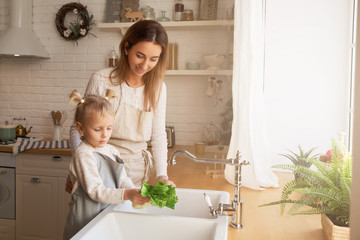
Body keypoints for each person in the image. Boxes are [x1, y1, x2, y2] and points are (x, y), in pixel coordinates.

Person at [69, 20, 174, 187]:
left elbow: (159, 136)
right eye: (140, 55)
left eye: (153, 59)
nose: (145, 65)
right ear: (126, 48)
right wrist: (80, 165)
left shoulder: (158, 88)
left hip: (138, 172)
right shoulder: (102, 80)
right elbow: (77, 128)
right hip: (100, 167)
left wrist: (162, 175)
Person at [64, 90, 150, 240]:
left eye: (109, 128)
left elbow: (122, 179)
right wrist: (126, 195)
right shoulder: (84, 154)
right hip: (85, 221)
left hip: (106, 217)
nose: (105, 134)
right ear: (80, 128)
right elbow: (95, 190)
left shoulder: (111, 150)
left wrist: (134, 191)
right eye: (97, 129)